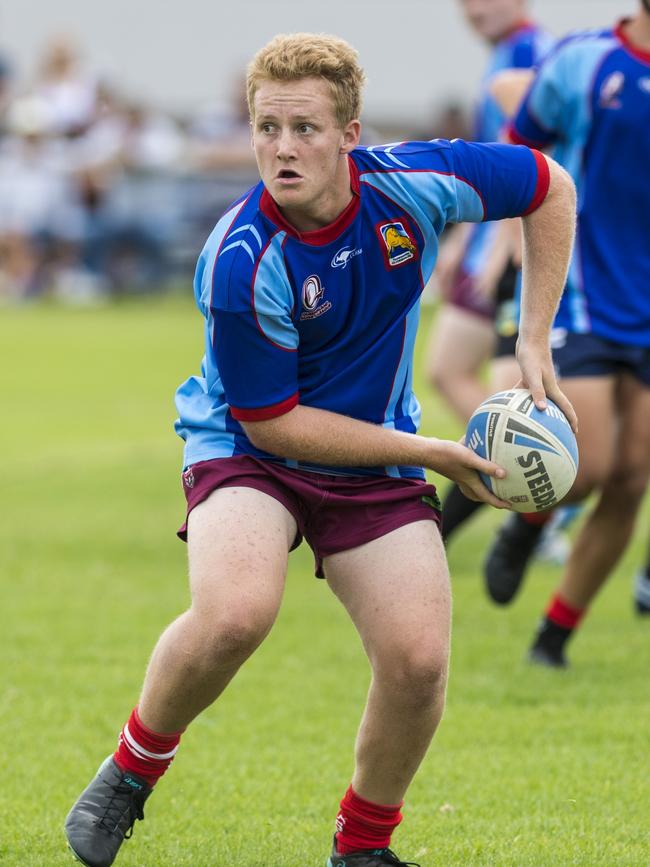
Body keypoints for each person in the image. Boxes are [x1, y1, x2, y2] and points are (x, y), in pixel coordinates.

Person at [63, 33, 576, 867]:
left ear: (350, 132)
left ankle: (362, 848)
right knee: (236, 612)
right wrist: (433, 451)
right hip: (249, 448)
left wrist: (537, 339)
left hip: (372, 454)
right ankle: (131, 768)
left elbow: (549, 186)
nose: (282, 148)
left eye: (304, 128)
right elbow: (274, 424)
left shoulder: (415, 185)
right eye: (267, 128)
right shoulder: (239, 257)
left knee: (417, 660)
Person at [483, 4, 650, 667]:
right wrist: (513, 236)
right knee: (585, 467)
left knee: (634, 478)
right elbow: (519, 141)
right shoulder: (584, 63)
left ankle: (553, 637)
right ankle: (525, 525)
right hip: (586, 291)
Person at [425, 0, 554, 544]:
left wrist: (503, 243)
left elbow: (529, 155)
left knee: (473, 373)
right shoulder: (505, 52)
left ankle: (544, 487)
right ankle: (540, 483)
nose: (475, 9)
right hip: (489, 243)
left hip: (513, 249)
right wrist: (461, 237)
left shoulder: (529, 52)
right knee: (449, 369)